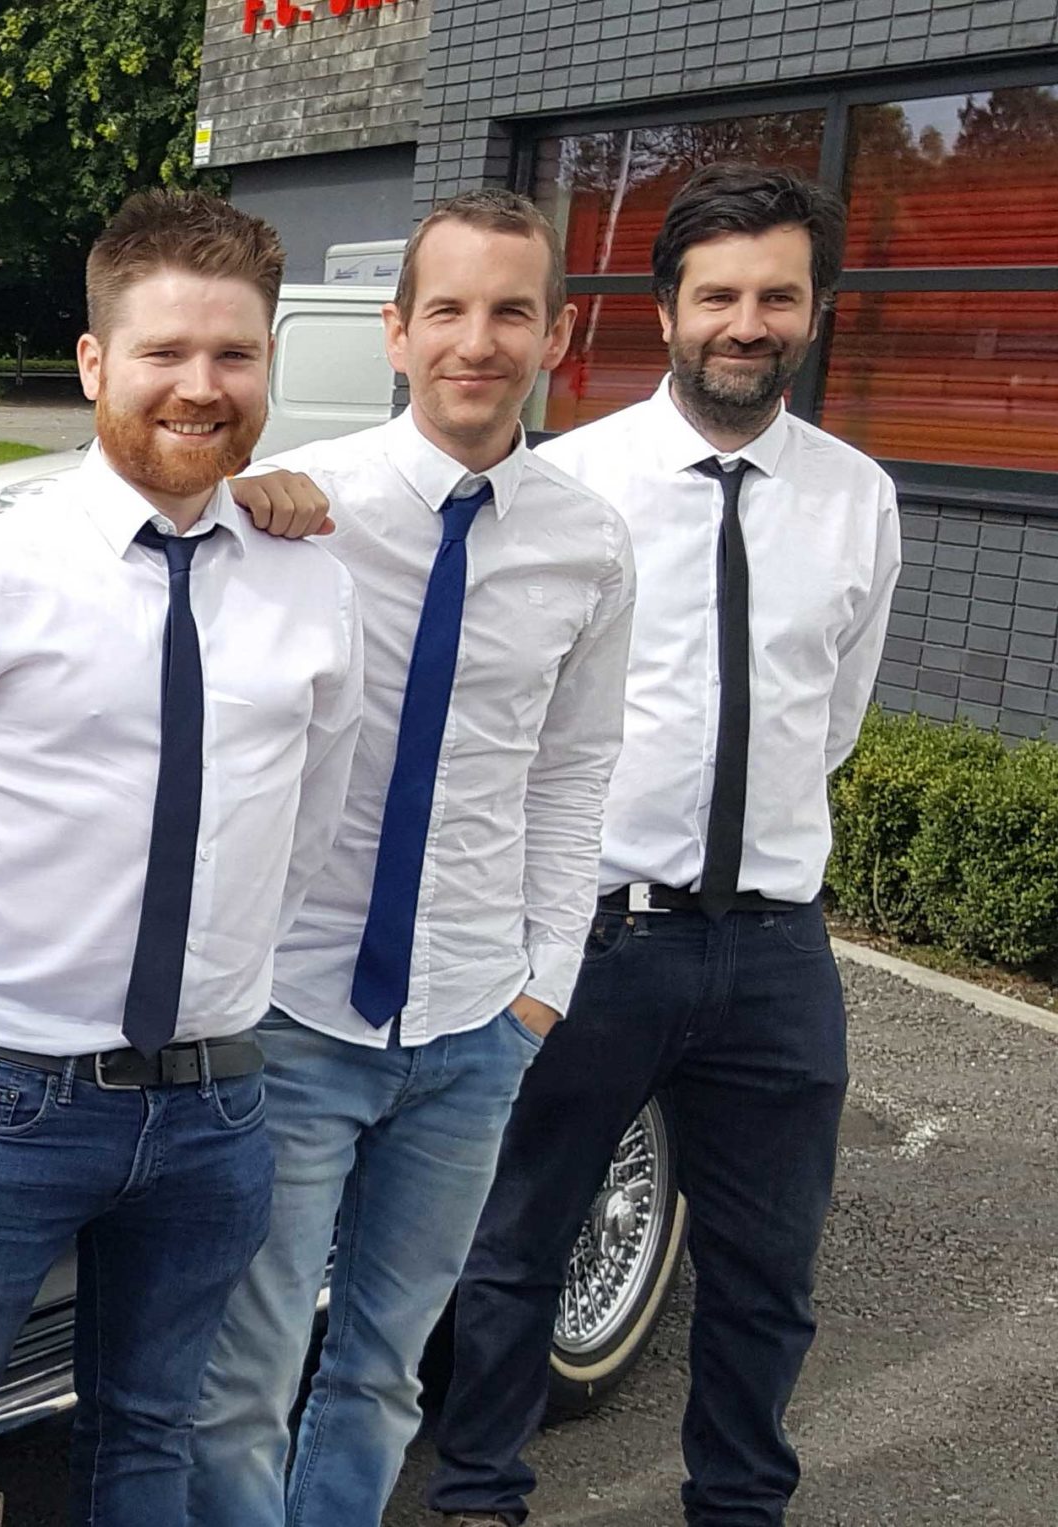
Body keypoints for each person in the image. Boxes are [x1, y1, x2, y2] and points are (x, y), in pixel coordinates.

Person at [0, 188, 365, 1526]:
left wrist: (225, 985)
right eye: (163, 351)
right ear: (93, 362)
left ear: (269, 363)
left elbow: (306, 826)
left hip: (215, 1103)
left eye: (233, 354)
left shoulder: (310, 584)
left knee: (149, 1437)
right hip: (4, 1092)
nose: (200, 386)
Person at [428, 163, 902, 1527]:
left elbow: (832, 718)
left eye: (777, 297)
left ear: (815, 311)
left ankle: (739, 1507)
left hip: (774, 952)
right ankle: (479, 1499)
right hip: (593, 938)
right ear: (665, 312)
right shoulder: (566, 486)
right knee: (517, 1244)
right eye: (719, 297)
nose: (747, 324)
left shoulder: (857, 497)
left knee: (768, 1272)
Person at [188, 188, 635, 1527]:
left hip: (474, 1025)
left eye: (511, 313)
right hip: (298, 1013)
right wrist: (229, 496)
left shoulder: (589, 544)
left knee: (383, 1373)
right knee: (243, 1378)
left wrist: (542, 986)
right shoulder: (299, 507)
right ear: (398, 331)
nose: (476, 342)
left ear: (556, 336)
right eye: (447, 310)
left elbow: (572, 774)